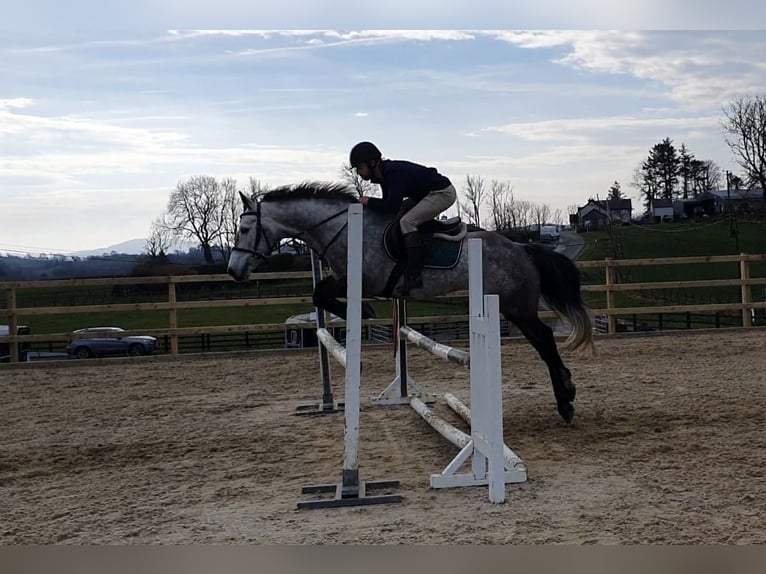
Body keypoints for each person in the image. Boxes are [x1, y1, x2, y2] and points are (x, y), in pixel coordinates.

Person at [349, 141, 456, 294]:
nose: (358, 173)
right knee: (403, 214)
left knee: (407, 222)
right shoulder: (384, 175)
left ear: (372, 163)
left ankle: (415, 275)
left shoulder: (393, 173)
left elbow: (391, 206)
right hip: (428, 193)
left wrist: (369, 201)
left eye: (359, 167)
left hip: (442, 193)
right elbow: (390, 209)